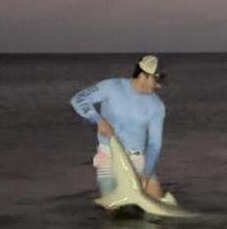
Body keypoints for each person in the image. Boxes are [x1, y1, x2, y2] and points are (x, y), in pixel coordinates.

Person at [70, 54, 166, 199]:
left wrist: (146, 174)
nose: (159, 85)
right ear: (144, 75)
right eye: (156, 79)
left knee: (160, 207)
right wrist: (98, 120)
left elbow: (154, 144)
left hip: (137, 160)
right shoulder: (112, 87)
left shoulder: (157, 106)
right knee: (113, 211)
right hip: (108, 157)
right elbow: (78, 99)